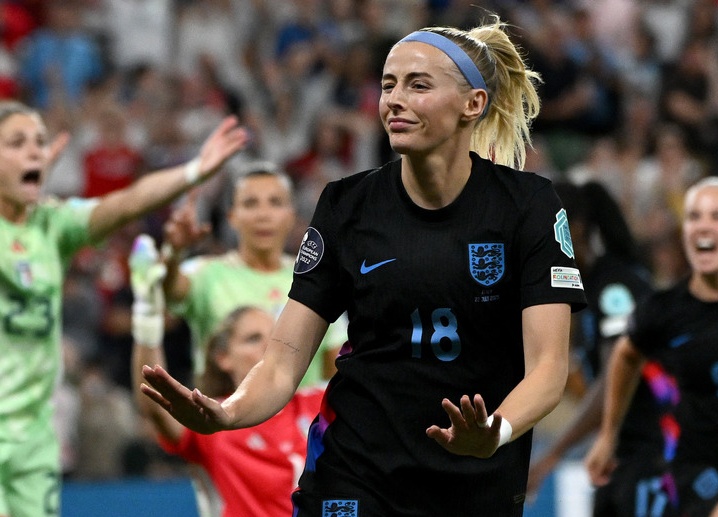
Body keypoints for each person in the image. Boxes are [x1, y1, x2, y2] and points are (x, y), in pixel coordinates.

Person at [140, 15, 587, 517]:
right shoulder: (346, 206)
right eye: (388, 85)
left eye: (418, 85)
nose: (394, 99)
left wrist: (495, 431)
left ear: (473, 104)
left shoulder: (528, 206)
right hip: (356, 472)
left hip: (477, 478)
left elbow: (548, 367)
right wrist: (228, 412)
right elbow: (283, 360)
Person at [0, 99, 246, 517]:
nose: (34, 152)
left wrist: (193, 171)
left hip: (33, 443)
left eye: (39, 143)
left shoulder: (53, 226)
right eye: (17, 143)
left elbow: (127, 202)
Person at [585, 176, 718, 517]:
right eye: (694, 216)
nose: (703, 226)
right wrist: (608, 435)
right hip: (703, 466)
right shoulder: (663, 311)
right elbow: (626, 355)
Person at [129, 234, 323, 517]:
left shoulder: (318, 403)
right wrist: (147, 312)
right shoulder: (214, 419)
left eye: (274, 336)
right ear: (223, 358)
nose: (269, 346)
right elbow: (156, 409)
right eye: (253, 338)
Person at [527, 181, 671, 516]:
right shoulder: (586, 289)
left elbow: (615, 378)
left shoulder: (614, 288)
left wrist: (553, 454)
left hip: (653, 455)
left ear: (575, 229)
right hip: (623, 455)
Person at [161, 160, 346, 389]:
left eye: (275, 202)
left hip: (301, 412)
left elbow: (335, 366)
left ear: (291, 216)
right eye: (250, 203)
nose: (263, 215)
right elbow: (169, 291)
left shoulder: (318, 280)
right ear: (232, 217)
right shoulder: (204, 273)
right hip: (221, 410)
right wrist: (174, 252)